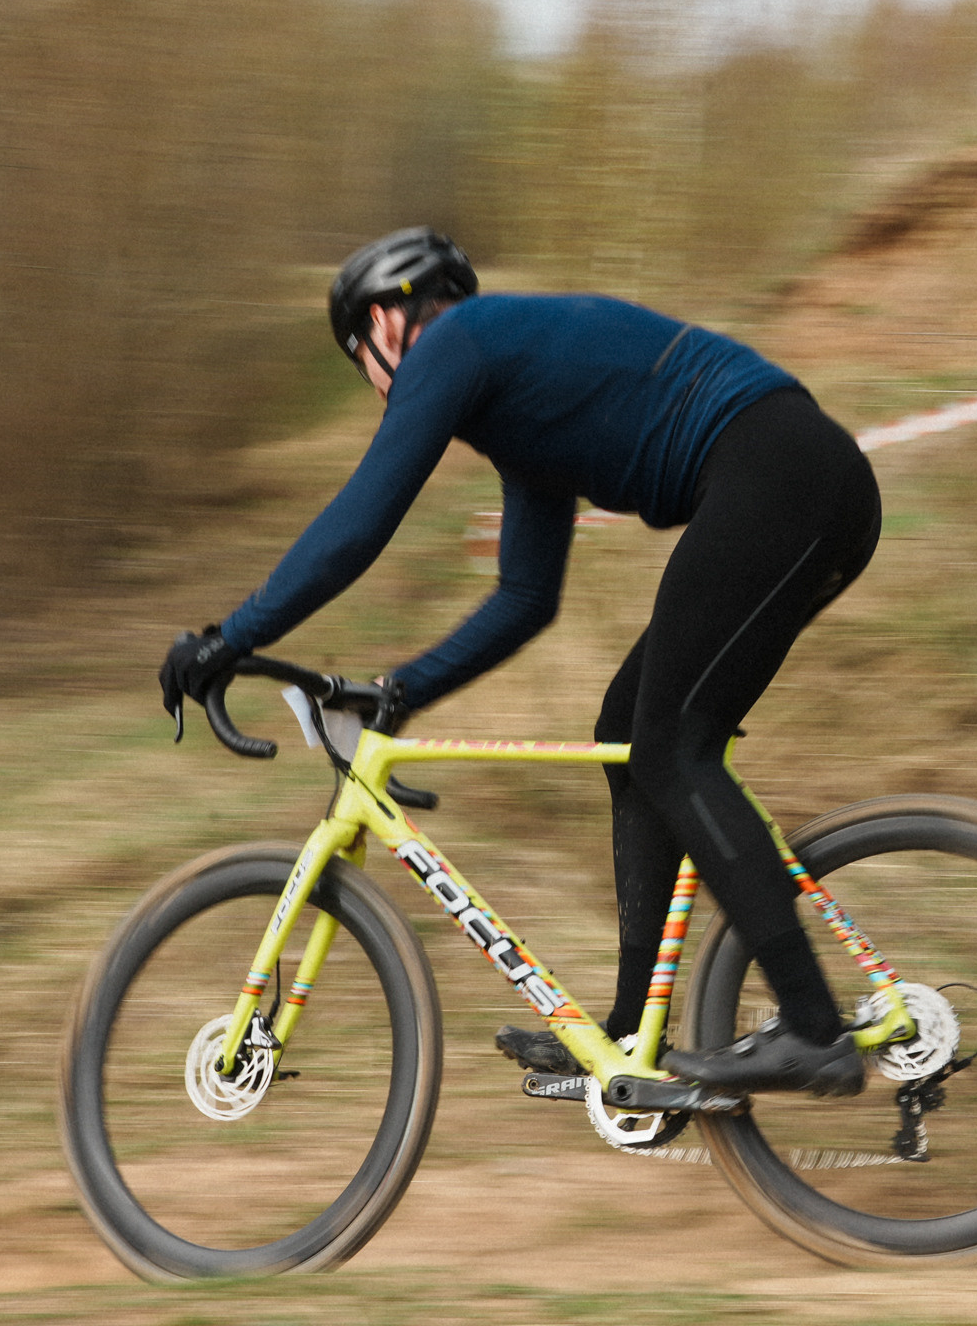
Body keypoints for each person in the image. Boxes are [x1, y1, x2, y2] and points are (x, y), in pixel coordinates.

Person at [156, 228, 881, 1096]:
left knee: (670, 747)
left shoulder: (456, 344)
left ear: (388, 323)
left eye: (362, 358)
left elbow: (363, 518)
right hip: (801, 479)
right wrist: (404, 689)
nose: (376, 382)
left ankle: (812, 1029)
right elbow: (525, 599)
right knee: (632, 731)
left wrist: (229, 637)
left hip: (781, 475)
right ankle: (629, 1037)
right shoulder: (517, 401)